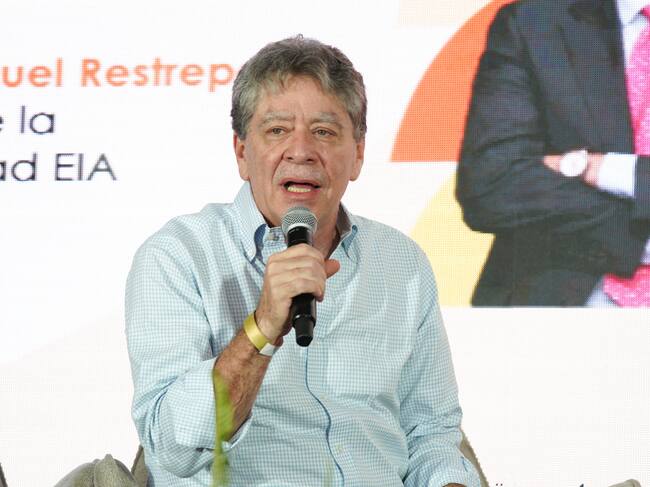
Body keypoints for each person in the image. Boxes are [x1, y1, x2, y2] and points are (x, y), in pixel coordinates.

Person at [125, 36, 480, 486]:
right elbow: (171, 447)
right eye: (277, 130)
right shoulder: (178, 257)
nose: (301, 151)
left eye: (324, 132)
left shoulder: (401, 263)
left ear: (358, 155)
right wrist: (262, 328)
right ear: (241, 153)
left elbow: (430, 433)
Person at [456, 0, 650, 306]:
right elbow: (492, 184)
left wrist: (606, 170)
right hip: (556, 300)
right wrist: (633, 237)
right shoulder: (535, 21)